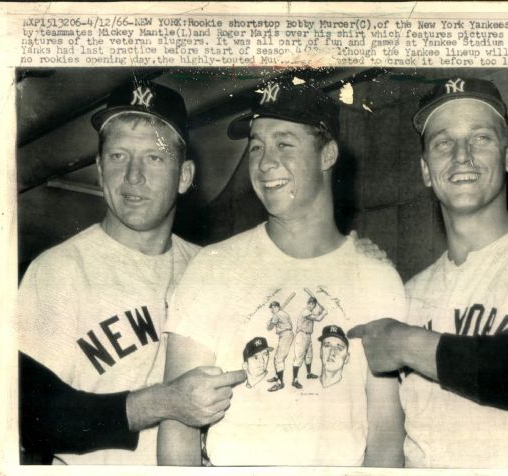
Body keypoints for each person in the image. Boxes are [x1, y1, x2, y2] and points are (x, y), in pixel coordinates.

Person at [158, 79, 407, 467]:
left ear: (327, 154)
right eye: (256, 146)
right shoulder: (213, 268)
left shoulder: (376, 277)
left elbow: (386, 429)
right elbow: (178, 427)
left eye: (284, 144)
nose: (264, 161)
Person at [18, 80, 246, 465]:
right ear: (101, 171)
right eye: (119, 156)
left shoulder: (211, 269)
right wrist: (164, 402)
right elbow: (30, 417)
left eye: (154, 158)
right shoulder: (58, 271)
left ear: (185, 176)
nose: (133, 177)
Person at [349, 77, 508, 468]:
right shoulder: (410, 295)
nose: (461, 155)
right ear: (426, 170)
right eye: (443, 143)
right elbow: (389, 442)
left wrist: (406, 344)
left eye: (481, 138)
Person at [291, 294, 327, 389]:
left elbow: (317, 314)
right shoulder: (305, 312)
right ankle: (294, 380)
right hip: (301, 335)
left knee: (309, 356)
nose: (311, 305)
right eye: (309, 303)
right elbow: (318, 318)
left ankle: (309, 373)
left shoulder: (310, 312)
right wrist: (324, 313)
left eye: (313, 304)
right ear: (307, 304)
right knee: (299, 357)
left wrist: (322, 311)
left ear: (314, 305)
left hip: (308, 336)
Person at [266, 299, 294, 392]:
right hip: (287, 334)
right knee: (277, 358)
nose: (272, 309)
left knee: (278, 359)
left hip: (285, 335)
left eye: (274, 307)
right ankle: (277, 376)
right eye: (271, 308)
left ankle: (280, 382)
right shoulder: (283, 313)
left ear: (278, 307)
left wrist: (269, 323)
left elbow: (269, 328)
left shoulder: (276, 315)